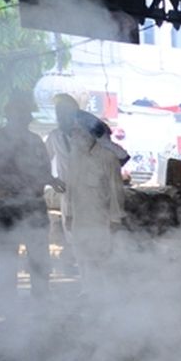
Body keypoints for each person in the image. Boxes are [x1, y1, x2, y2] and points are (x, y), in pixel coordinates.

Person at [47, 93, 127, 277]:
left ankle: (99, 285)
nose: (61, 116)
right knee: (76, 242)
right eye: (58, 112)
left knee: (100, 249)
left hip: (96, 198)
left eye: (65, 111)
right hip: (69, 196)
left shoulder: (93, 139)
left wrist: (100, 155)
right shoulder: (55, 136)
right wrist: (52, 180)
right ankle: (85, 283)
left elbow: (120, 160)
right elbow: (43, 160)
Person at [0, 92, 53, 310]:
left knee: (39, 256)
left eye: (25, 115)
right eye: (20, 115)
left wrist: (43, 182)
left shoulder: (35, 141)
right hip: (5, 209)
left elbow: (45, 171)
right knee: (5, 257)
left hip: (33, 206)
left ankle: (41, 300)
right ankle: (6, 302)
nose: (24, 119)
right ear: (9, 116)